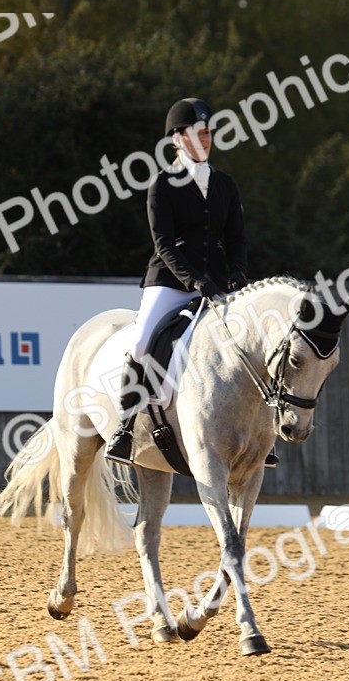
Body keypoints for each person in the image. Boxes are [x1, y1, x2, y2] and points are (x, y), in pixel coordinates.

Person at [104, 96, 277, 467]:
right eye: (197, 134)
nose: (205, 140)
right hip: (169, 281)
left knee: (250, 343)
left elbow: (236, 239)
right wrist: (193, 280)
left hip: (217, 282)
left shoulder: (225, 185)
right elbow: (164, 243)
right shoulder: (162, 186)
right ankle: (125, 426)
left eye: (208, 133)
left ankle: (264, 433)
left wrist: (238, 276)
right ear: (177, 139)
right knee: (140, 342)